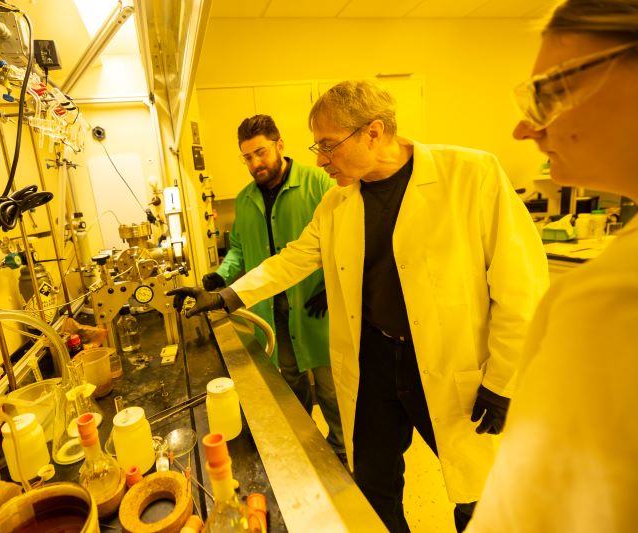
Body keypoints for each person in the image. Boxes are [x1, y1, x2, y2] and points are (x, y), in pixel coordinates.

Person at [170, 80, 549, 532]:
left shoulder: (470, 174)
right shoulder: (337, 203)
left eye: (328, 145)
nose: (320, 159)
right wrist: (226, 295)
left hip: (453, 365)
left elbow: (522, 285)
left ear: (373, 132)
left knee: (481, 493)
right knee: (373, 485)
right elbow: (295, 257)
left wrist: (505, 379)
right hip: (374, 364)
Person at [467, 2, 638, 531]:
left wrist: (501, 380)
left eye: (553, 91)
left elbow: (523, 519)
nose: (525, 129)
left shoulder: (609, 301)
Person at [202, 114, 344, 457]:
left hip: (316, 307)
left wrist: (331, 284)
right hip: (272, 311)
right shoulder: (245, 198)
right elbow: (238, 247)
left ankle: (341, 450)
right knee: (290, 383)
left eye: (261, 152)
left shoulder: (319, 184)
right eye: (247, 157)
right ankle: (306, 444)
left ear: (279, 145)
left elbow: (343, 240)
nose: (255, 163)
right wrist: (221, 275)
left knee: (330, 388)